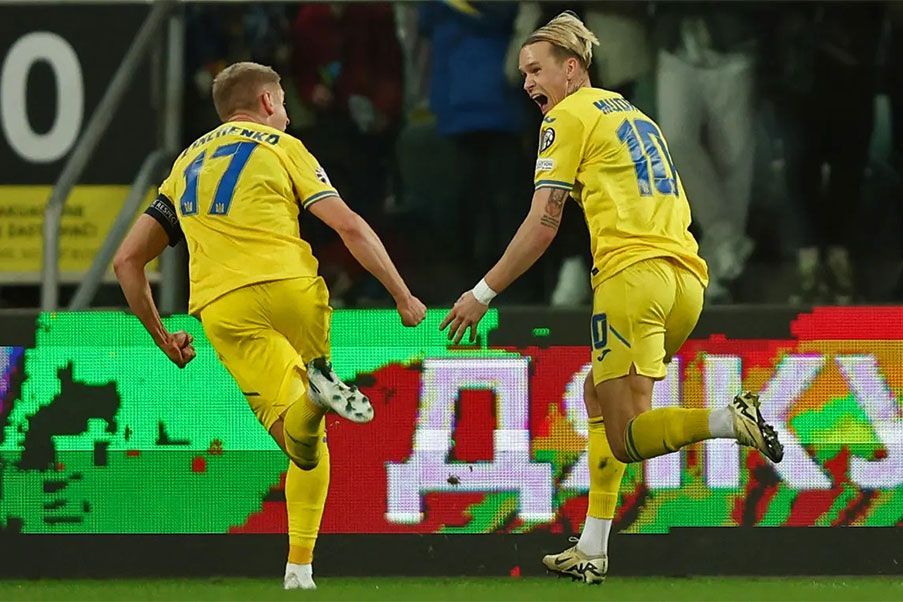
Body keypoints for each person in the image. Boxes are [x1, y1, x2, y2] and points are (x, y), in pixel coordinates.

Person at [439, 12, 783, 584]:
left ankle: (729, 419)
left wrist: (483, 291)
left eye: (537, 69)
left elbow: (543, 223)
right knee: (599, 395)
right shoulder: (634, 114)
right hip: (685, 279)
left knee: (626, 438)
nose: (527, 83)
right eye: (524, 72)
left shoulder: (565, 117)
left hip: (632, 280)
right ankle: (593, 547)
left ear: (572, 69)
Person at [113, 62, 426, 590]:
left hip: (224, 308)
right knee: (306, 439)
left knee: (297, 442)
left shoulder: (185, 164)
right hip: (293, 290)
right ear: (265, 103)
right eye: (282, 103)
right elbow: (348, 224)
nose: (284, 113)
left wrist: (164, 339)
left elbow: (126, 261)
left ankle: (298, 558)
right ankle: (299, 565)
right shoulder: (281, 146)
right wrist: (402, 294)